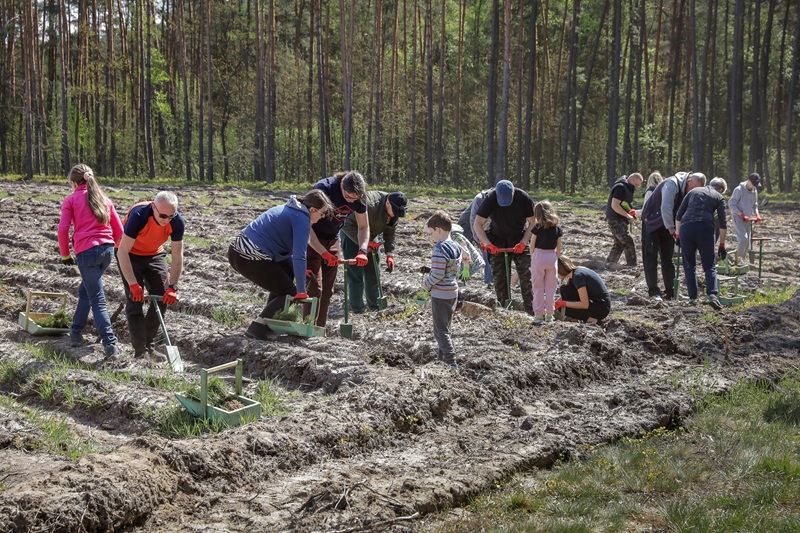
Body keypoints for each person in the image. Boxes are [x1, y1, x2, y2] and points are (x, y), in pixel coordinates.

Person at [228, 190, 334, 339]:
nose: (322, 218)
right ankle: (258, 327)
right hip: (248, 255)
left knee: (287, 277)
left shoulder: (293, 210)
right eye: (322, 213)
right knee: (289, 292)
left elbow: (289, 256)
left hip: (240, 250)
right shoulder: (302, 219)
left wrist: (300, 273)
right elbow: (299, 255)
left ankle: (268, 323)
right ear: (312, 210)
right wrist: (302, 290)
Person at [57, 164, 124, 359]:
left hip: (87, 253)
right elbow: (119, 231)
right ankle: (76, 331)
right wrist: (113, 248)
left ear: (73, 182)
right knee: (85, 291)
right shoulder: (104, 199)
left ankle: (109, 342)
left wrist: (65, 254)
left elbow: (63, 229)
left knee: (98, 299)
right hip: (107, 251)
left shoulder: (71, 199)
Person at [116, 191, 184, 359]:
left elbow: (177, 257)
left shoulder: (177, 221)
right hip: (129, 254)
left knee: (162, 297)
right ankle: (140, 352)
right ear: (154, 207)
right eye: (162, 215)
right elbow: (122, 252)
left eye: (171, 216)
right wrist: (133, 284)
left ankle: (149, 345)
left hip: (154, 254)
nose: (166, 220)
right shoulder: (139, 215)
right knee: (135, 300)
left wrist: (173, 286)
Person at [306, 171, 369, 327]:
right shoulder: (324, 189)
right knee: (314, 287)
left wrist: (363, 250)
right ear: (342, 185)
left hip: (333, 238)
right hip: (312, 238)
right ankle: (306, 326)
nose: (352, 201)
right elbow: (306, 225)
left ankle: (319, 329)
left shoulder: (360, 197)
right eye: (348, 197)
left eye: (355, 199)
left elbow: (363, 226)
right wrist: (323, 253)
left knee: (328, 289)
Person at [473, 180, 536, 313]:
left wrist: (524, 242)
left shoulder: (524, 198)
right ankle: (504, 309)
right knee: (500, 278)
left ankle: (532, 310)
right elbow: (477, 223)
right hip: (497, 239)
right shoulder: (490, 198)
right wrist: (487, 244)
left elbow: (532, 222)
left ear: (514, 192)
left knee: (527, 274)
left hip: (519, 237)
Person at [640, 171, 704, 301]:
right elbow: (666, 207)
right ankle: (653, 292)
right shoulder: (672, 183)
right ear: (689, 181)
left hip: (668, 224)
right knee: (651, 258)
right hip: (652, 222)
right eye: (693, 189)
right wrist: (672, 229)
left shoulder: (687, 191)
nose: (692, 192)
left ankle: (670, 291)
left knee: (667, 259)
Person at [341, 190, 407, 313]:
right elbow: (345, 223)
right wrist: (364, 244)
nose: (396, 215)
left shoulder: (394, 211)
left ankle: (375, 307)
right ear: (387, 203)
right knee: (356, 274)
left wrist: (389, 254)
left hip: (370, 235)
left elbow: (390, 231)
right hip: (352, 234)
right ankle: (357, 309)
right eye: (396, 212)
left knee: (373, 273)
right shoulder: (369, 204)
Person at [675, 174, 727, 309]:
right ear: (721, 189)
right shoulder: (719, 197)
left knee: (689, 264)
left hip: (686, 228)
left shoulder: (693, 191)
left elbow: (679, 215)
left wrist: (678, 236)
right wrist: (722, 245)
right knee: (709, 264)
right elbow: (722, 223)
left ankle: (692, 298)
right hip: (705, 228)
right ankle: (712, 295)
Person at [422, 210, 462, 367]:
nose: (431, 236)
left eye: (431, 232)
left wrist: (426, 284)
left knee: (440, 330)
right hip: (453, 292)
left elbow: (437, 274)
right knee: (446, 327)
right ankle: (441, 360)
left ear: (438, 229)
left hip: (440, 294)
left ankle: (451, 361)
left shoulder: (439, 248)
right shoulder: (456, 247)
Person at [529, 200, 563, 325]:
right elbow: (559, 248)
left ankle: (539, 315)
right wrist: (556, 257)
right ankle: (550, 314)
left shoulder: (537, 228)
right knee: (551, 287)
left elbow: (532, 245)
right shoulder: (557, 229)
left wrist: (533, 256)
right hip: (551, 256)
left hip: (539, 255)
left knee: (538, 287)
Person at [555, 256, 611, 324]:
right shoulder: (575, 273)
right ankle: (576, 318)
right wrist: (554, 304)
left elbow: (584, 304)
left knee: (564, 308)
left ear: (560, 271)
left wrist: (563, 303)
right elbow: (567, 294)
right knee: (564, 289)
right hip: (598, 303)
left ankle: (593, 320)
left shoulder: (578, 276)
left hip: (601, 308)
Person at [605, 173, 643, 265]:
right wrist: (627, 215)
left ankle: (609, 263)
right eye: (636, 185)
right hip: (615, 219)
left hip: (619, 219)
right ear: (631, 180)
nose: (637, 187)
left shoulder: (627, 188)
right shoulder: (621, 188)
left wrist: (631, 213)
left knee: (619, 244)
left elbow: (625, 203)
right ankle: (632, 265)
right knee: (628, 241)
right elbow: (615, 205)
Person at [728, 173, 763, 265]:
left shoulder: (754, 191)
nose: (755, 187)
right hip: (738, 217)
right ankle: (736, 261)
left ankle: (741, 260)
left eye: (756, 185)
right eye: (753, 184)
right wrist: (741, 214)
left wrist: (757, 214)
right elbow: (731, 205)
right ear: (749, 181)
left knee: (747, 242)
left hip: (748, 218)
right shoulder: (739, 190)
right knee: (743, 239)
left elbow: (755, 204)